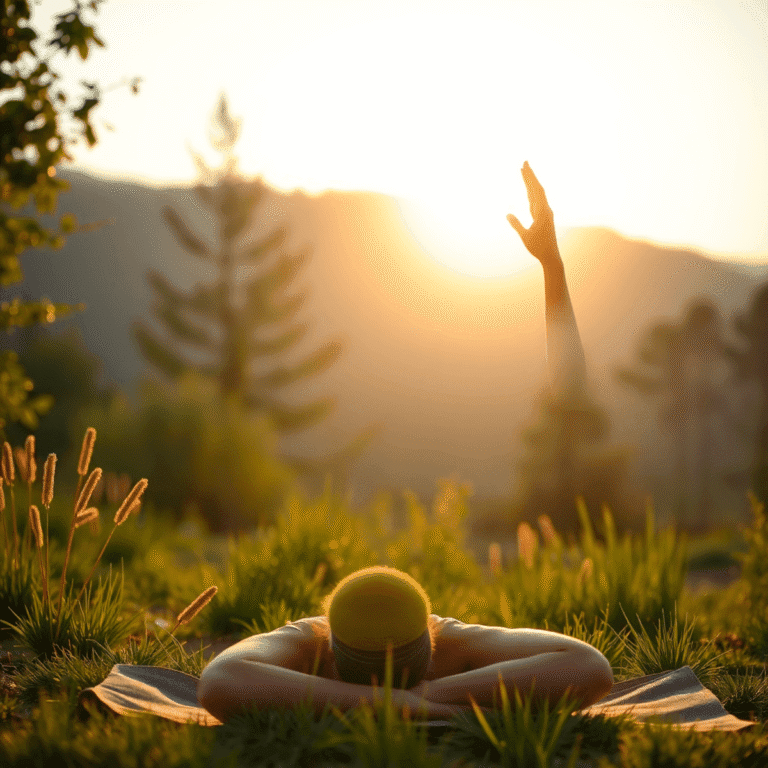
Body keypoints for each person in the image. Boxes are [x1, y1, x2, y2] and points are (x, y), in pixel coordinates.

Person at [197, 164, 613, 723]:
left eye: (402, 676)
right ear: (333, 657)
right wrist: (402, 703)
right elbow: (221, 680)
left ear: (431, 654)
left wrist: (553, 268)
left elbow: (589, 666)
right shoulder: (308, 644)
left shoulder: (453, 646)